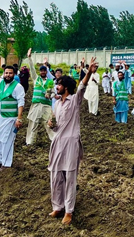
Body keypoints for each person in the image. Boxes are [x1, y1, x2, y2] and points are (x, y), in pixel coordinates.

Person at [47, 57, 98, 225]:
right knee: (56, 176)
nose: (57, 87)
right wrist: (51, 124)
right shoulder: (57, 104)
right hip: (57, 142)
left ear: (66, 87)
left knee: (70, 177)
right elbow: (56, 125)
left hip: (70, 144)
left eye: (59, 84)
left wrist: (89, 71)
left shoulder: (74, 100)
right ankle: (57, 206)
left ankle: (69, 211)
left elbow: (82, 86)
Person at [26, 48, 56, 145]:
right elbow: (32, 69)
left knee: (49, 124)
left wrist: (50, 96)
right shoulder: (36, 79)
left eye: (44, 71)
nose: (43, 72)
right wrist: (29, 58)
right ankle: (30, 142)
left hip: (46, 105)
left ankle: (55, 140)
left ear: (46, 72)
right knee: (33, 124)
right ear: (40, 72)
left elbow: (54, 93)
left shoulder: (50, 82)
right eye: (41, 71)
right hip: (36, 105)